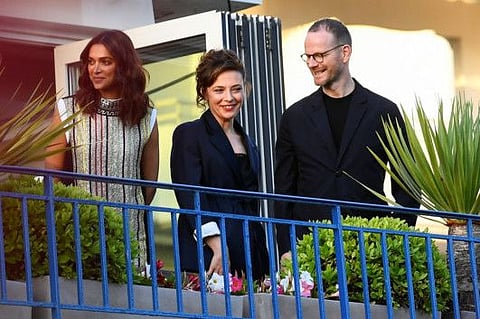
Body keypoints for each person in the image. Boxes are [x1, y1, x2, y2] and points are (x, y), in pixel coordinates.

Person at [274, 17, 420, 261]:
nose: (312, 63)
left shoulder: (384, 111)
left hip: (370, 249)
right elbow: (284, 191)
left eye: (319, 55)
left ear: (345, 52)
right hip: (310, 247)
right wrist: (286, 248)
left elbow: (407, 185)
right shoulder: (294, 117)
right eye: (308, 56)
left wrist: (395, 238)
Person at [47, 30, 159, 271]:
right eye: (91, 61)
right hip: (80, 232)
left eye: (105, 62)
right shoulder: (68, 109)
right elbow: (52, 176)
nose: (95, 69)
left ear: (124, 66)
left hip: (131, 234)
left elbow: (149, 185)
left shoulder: (146, 115)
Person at [170, 49, 269, 280]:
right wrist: (217, 246)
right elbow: (190, 195)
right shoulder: (189, 134)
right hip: (209, 251)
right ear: (204, 92)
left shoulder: (249, 141)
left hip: (250, 250)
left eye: (236, 89)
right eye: (219, 90)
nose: (229, 97)